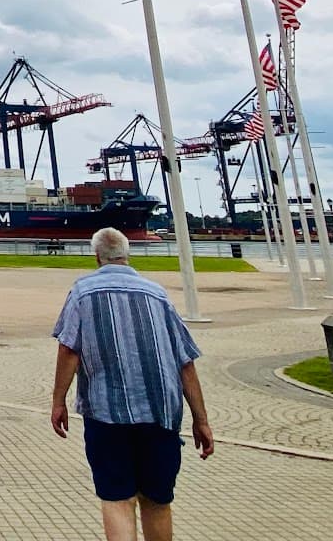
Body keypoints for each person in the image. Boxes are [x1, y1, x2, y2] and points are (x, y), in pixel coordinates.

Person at [50, 227, 212, 541]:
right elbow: (185, 361)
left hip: (107, 414)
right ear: (128, 254)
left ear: (96, 256)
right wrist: (201, 420)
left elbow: (69, 349)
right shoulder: (157, 293)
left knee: (117, 500)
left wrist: (58, 402)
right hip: (160, 413)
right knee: (157, 502)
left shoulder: (83, 292)